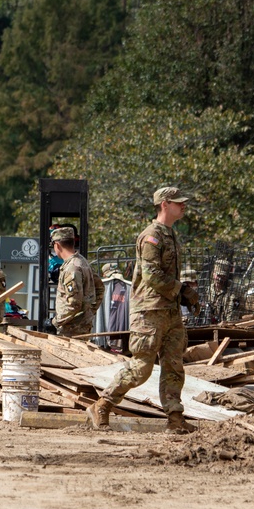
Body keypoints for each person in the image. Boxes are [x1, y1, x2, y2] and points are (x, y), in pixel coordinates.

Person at [86, 186, 200, 434]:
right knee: (141, 368)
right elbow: (152, 276)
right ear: (164, 205)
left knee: (173, 366)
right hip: (149, 312)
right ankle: (103, 404)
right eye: (178, 202)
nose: (183, 205)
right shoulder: (151, 236)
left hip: (169, 311)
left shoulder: (171, 235)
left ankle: (175, 418)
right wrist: (183, 290)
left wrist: (181, 297)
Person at [50, 226, 102, 337]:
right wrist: (90, 311)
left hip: (71, 329)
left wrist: (55, 322)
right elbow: (100, 288)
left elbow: (74, 303)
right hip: (82, 326)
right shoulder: (83, 261)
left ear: (57, 245)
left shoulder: (71, 268)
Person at [209, 259, 240, 324]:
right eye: (218, 275)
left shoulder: (233, 292)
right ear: (213, 274)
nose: (220, 279)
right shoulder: (208, 290)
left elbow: (232, 313)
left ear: (227, 277)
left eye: (223, 276)